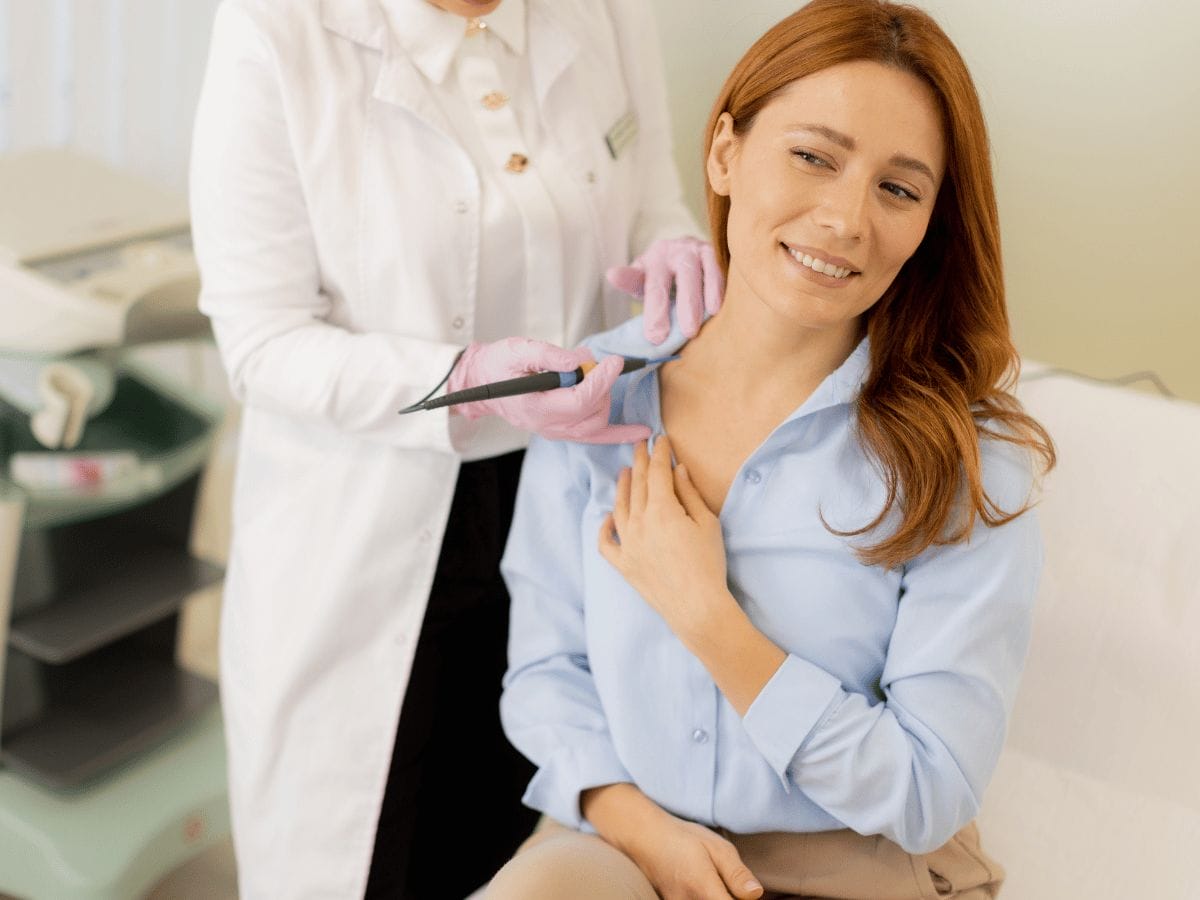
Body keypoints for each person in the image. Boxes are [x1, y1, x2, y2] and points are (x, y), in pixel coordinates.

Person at [488, 0, 1057, 897]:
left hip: (858, 861)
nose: (844, 219)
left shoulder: (968, 461)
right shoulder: (596, 397)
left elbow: (927, 789)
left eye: (898, 189)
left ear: (930, 224)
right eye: (812, 157)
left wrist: (706, 614)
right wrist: (635, 823)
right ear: (724, 153)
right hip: (623, 842)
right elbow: (545, 672)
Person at [188, 0, 721, 896]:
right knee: (379, 853)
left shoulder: (608, 11)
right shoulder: (277, 27)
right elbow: (262, 341)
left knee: (516, 845)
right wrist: (469, 378)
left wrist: (673, 245)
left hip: (563, 516)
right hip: (378, 535)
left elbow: (646, 193)